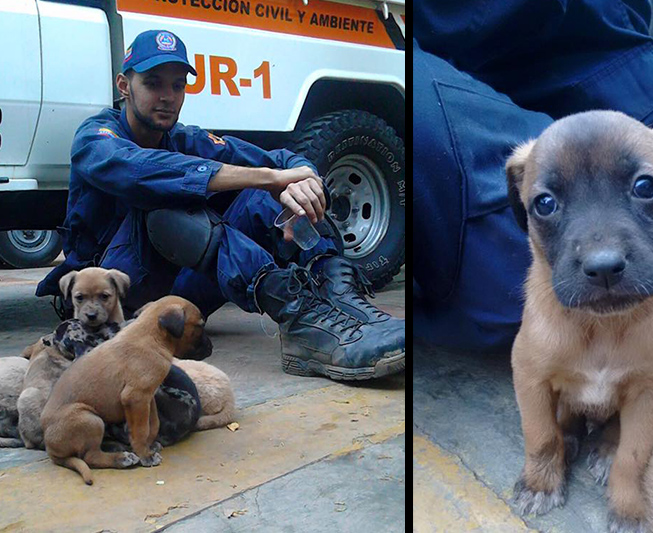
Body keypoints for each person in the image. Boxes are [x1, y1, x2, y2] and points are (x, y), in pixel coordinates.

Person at [36, 29, 404, 381]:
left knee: (271, 193)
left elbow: (277, 159)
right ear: (124, 86)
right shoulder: (97, 135)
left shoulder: (183, 137)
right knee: (170, 205)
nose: (167, 96)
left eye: (177, 85)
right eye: (153, 84)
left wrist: (301, 175)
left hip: (180, 293)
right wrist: (268, 178)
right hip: (117, 297)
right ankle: (300, 316)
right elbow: (137, 170)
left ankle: (345, 301)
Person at [413, 0, 653, 354]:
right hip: (415, 28)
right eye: (543, 203)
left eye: (644, 188)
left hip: (539, 22)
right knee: (514, 284)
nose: (602, 256)